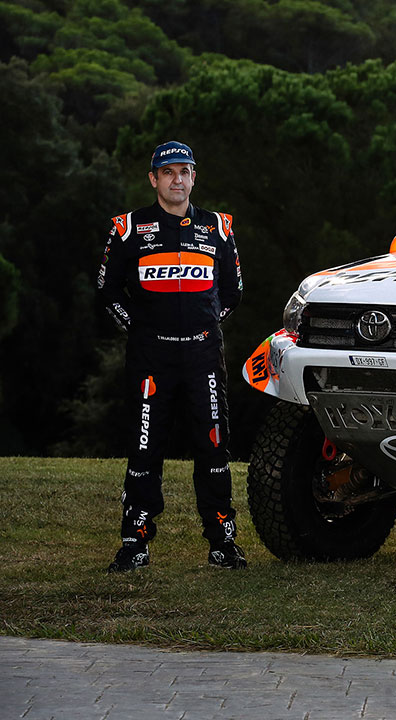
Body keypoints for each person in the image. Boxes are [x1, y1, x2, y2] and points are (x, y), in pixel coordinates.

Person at [97, 140, 247, 572]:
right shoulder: (127, 228)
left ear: (194, 177)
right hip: (151, 360)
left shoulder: (219, 227)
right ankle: (135, 543)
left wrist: (203, 327)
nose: (177, 179)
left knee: (214, 449)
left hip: (203, 357)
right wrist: (141, 328)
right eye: (168, 172)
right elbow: (107, 291)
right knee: (145, 451)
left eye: (184, 171)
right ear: (153, 179)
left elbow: (233, 292)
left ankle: (222, 543)